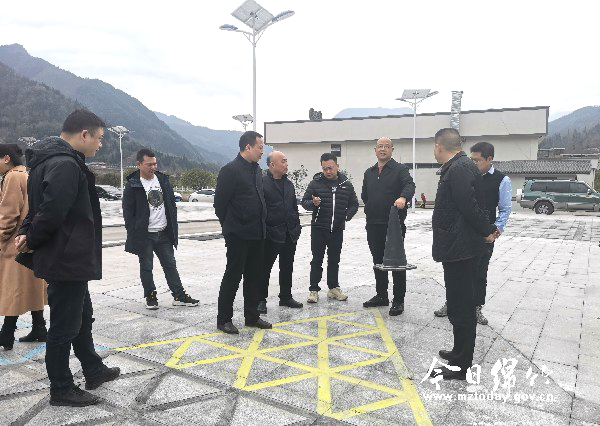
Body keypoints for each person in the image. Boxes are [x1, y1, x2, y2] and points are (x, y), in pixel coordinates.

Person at [16, 109, 120, 406]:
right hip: (67, 257)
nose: (100, 144)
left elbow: (36, 207)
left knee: (82, 316)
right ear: (84, 135)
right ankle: (61, 388)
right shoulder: (64, 164)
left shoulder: (47, 161)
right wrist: (32, 237)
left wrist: (27, 231)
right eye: (99, 138)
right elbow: (51, 212)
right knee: (64, 326)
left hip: (66, 256)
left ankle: (93, 369)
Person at [429, 128, 497, 381]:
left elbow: (469, 206)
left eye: (434, 147)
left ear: (439, 146)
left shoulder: (458, 169)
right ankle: (459, 352)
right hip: (458, 247)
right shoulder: (461, 166)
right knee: (458, 304)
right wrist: (485, 229)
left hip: (461, 249)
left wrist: (487, 230)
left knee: (462, 307)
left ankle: (461, 365)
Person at [433, 142, 512, 325]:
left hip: (486, 235)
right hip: (463, 233)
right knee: (456, 271)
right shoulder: (465, 174)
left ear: (489, 159)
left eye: (477, 160)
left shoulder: (501, 180)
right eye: (472, 159)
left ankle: (476, 307)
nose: (473, 163)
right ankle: (452, 302)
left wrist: (496, 230)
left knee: (479, 272)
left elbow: (505, 209)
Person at [123, 148, 198, 309]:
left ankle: (179, 296)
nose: (153, 167)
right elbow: (128, 213)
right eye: (149, 164)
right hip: (145, 234)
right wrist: (135, 231)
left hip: (163, 232)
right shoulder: (133, 185)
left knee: (170, 265)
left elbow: (170, 204)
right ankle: (151, 296)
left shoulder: (163, 180)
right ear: (139, 164)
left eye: (155, 164)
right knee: (146, 267)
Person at [214, 131, 272, 334]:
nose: (262, 152)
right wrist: (231, 226)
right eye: (260, 148)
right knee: (233, 276)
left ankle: (252, 316)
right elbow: (220, 204)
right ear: (248, 147)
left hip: (257, 232)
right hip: (238, 234)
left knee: (254, 277)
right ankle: (224, 319)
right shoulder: (230, 170)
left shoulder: (257, 170)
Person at [0, 144, 47, 350]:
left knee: (14, 288)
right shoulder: (26, 174)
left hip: (14, 241)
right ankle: (39, 327)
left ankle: (7, 334)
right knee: (31, 285)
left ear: (6, 158)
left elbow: (9, 214)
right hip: (29, 239)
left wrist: (1, 237)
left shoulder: (12, 177)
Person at [361, 137, 415, 315]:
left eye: (386, 146)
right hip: (373, 223)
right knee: (378, 261)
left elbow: (410, 185)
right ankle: (381, 295)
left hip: (393, 225)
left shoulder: (400, 169)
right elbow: (365, 195)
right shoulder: (369, 172)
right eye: (380, 146)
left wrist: (403, 197)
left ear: (392, 150)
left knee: (396, 262)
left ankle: (398, 300)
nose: (383, 149)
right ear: (375, 150)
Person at [302, 153, 359, 303]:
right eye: (324, 168)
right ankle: (313, 290)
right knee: (317, 260)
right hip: (319, 228)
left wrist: (346, 216)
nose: (327, 171)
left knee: (334, 260)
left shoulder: (346, 184)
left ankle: (333, 288)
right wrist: (313, 203)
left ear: (337, 167)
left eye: (330, 168)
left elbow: (354, 204)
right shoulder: (315, 183)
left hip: (337, 229)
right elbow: (304, 202)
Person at [257, 151, 303, 314]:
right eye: (283, 161)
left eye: (286, 161)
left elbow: (293, 207)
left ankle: (285, 297)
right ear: (272, 165)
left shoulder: (289, 184)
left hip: (290, 233)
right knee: (264, 268)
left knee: (287, 266)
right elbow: (259, 210)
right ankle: (260, 300)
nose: (286, 164)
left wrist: (296, 227)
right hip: (271, 234)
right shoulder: (262, 183)